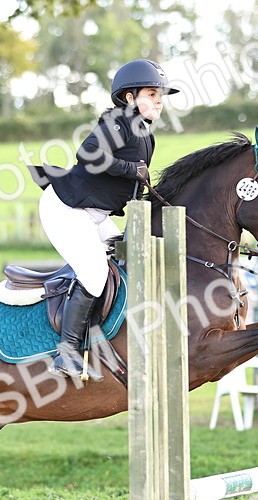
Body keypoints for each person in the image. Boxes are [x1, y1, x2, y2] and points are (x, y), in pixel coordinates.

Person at [29, 59, 179, 381]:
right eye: (152, 93)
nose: (159, 101)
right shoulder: (118, 120)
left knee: (128, 260)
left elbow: (133, 184)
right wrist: (130, 171)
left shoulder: (146, 136)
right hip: (66, 209)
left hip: (95, 216)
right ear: (128, 97)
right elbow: (89, 153)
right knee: (95, 273)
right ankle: (66, 353)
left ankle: (107, 339)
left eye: (161, 96)